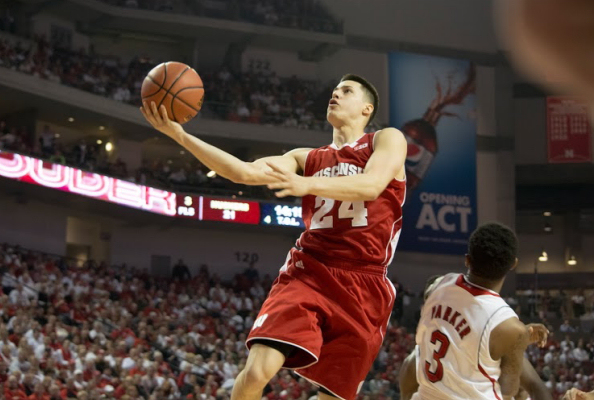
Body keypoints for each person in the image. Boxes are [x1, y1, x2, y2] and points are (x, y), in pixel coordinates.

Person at [141, 73, 407, 400]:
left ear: (367, 109)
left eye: (346, 91)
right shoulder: (305, 158)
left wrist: (305, 185)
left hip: (365, 283)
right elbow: (242, 171)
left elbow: (371, 186)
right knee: (256, 372)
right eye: (334, 89)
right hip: (310, 270)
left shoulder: (387, 139)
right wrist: (179, 134)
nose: (335, 94)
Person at [399, 223, 549, 400]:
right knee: (532, 391)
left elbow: (465, 323)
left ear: (467, 260)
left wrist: (517, 336)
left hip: (425, 394)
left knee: (415, 358)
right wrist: (518, 337)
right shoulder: (509, 327)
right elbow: (507, 392)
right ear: (513, 264)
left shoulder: (437, 285)